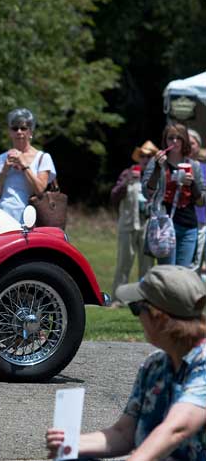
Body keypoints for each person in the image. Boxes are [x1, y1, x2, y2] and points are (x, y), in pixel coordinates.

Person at [46, 265, 206, 461]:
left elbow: (177, 429)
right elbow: (124, 434)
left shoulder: (203, 365)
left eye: (137, 308)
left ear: (159, 318)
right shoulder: (154, 366)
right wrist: (72, 444)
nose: (138, 318)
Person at [143, 123, 204, 266]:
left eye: (179, 138)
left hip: (189, 226)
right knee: (167, 273)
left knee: (182, 275)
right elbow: (148, 193)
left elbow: (201, 201)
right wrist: (158, 168)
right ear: (165, 141)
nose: (175, 141)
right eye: (171, 138)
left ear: (185, 141)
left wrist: (192, 183)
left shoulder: (193, 165)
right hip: (165, 225)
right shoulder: (157, 162)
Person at [0, 108, 56, 223]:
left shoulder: (43, 158)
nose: (19, 132)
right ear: (10, 132)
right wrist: (4, 170)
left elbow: (39, 190)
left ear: (30, 132)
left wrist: (24, 165)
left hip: (29, 219)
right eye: (15, 128)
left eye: (23, 128)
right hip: (0, 218)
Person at [110, 140, 158, 299]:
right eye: (143, 156)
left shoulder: (157, 176)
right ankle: (118, 299)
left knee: (147, 266)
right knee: (123, 264)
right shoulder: (127, 173)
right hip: (128, 225)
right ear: (138, 158)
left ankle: (145, 299)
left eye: (149, 156)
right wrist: (127, 181)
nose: (145, 159)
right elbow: (114, 196)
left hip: (148, 226)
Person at [188, 129, 206, 274]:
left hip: (203, 218)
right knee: (193, 263)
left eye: (192, 143)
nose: (189, 145)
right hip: (192, 221)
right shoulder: (178, 167)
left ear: (198, 146)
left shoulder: (204, 168)